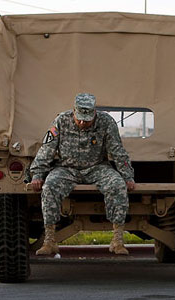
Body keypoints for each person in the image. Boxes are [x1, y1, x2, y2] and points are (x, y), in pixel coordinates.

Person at [30, 93, 135, 256]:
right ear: (74, 111)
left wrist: (127, 176)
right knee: (49, 186)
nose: (82, 123)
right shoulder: (61, 121)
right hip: (67, 168)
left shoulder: (106, 122)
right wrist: (37, 174)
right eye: (79, 119)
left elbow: (117, 151)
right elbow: (47, 150)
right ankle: (50, 241)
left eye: (87, 120)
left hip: (96, 167)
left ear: (94, 114)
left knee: (117, 185)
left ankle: (117, 240)